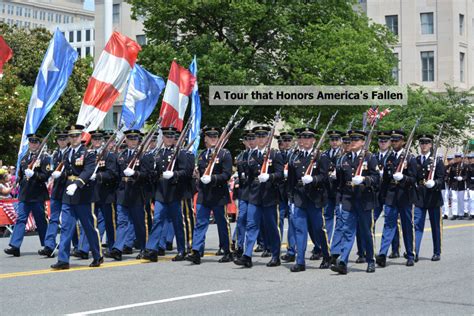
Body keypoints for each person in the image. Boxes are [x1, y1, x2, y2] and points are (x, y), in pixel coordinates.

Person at [51, 125, 103, 269]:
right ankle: (63, 260)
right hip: (68, 195)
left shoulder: (88, 153)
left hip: (83, 194)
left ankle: (98, 255)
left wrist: (77, 184)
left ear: (81, 137)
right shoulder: (67, 153)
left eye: (76, 136)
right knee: (67, 228)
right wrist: (59, 176)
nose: (74, 139)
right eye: (71, 136)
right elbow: (68, 171)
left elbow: (88, 170)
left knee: (88, 227)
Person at [330, 130, 379, 274]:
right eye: (351, 140)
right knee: (347, 231)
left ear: (363, 142)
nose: (353, 143)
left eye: (356, 140)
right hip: (348, 200)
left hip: (364, 200)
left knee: (365, 232)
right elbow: (339, 182)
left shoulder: (370, 158)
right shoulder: (344, 158)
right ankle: (343, 262)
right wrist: (339, 199)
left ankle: (370, 260)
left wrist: (365, 179)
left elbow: (376, 178)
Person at [234, 126, 283, 268]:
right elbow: (248, 178)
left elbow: (280, 174)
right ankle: (247, 256)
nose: (260, 139)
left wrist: (270, 176)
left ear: (268, 138)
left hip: (269, 195)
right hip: (254, 196)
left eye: (263, 136)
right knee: (251, 225)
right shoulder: (251, 155)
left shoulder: (274, 154)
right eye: (258, 136)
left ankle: (275, 255)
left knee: (271, 227)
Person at [143, 127, 193, 262]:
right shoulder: (158, 153)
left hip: (175, 192)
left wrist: (174, 174)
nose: (169, 139)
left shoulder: (180, 153)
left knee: (178, 222)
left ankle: (182, 250)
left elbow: (186, 172)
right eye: (167, 136)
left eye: (172, 136)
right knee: (157, 219)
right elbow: (155, 172)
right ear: (163, 138)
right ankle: (152, 249)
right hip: (161, 192)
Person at [186, 127, 233, 264]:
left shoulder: (224, 154)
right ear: (205, 139)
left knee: (222, 223)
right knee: (200, 222)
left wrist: (212, 178)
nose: (213, 138)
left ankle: (227, 250)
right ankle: (196, 251)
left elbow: (226, 174)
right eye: (210, 136)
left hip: (218, 194)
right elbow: (201, 173)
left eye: (215, 136)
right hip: (204, 194)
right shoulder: (202, 155)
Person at [288, 127, 331, 272]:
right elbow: (292, 180)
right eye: (303, 138)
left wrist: (313, 178)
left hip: (316, 198)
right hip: (300, 198)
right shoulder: (295, 157)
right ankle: (300, 262)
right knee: (300, 230)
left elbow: (325, 177)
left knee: (319, 229)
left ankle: (326, 256)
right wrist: (291, 198)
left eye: (308, 138)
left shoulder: (321, 156)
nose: (305, 140)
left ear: (313, 140)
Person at [106, 129, 153, 261]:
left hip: (137, 193)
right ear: (125, 140)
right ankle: (117, 249)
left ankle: (145, 248)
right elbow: (116, 174)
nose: (133, 141)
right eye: (130, 139)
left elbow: (148, 175)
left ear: (139, 140)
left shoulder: (144, 156)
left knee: (139, 223)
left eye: (135, 139)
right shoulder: (121, 155)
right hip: (123, 193)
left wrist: (135, 174)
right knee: (122, 222)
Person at [4, 133, 51, 257]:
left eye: (36, 142)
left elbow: (45, 176)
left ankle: (47, 246)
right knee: (20, 219)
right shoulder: (25, 157)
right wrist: (16, 182)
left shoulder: (45, 158)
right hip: (25, 194)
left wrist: (34, 175)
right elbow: (20, 174)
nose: (33, 144)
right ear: (29, 143)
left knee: (41, 221)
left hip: (37, 194)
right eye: (31, 142)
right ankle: (15, 246)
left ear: (39, 144)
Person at [376, 130, 417, 268]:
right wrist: (383, 197)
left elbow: (413, 179)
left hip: (405, 196)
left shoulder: (410, 158)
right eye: (392, 141)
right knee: (389, 225)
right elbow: (386, 181)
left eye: (397, 140)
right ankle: (382, 254)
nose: (394, 143)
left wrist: (403, 177)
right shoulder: (389, 158)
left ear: (403, 141)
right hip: (391, 197)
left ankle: (410, 254)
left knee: (406, 226)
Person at [414, 134, 445, 262]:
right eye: (422, 143)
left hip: (433, 197)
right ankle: (414, 251)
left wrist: (435, 183)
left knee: (435, 226)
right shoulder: (415, 160)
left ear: (431, 145)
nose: (424, 145)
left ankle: (437, 251)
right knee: (417, 225)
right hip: (420, 197)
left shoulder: (437, 161)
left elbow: (442, 179)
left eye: (426, 143)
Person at [39, 130, 69, 257]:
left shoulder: (71, 153)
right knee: (53, 219)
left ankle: (78, 246)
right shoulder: (55, 155)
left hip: (68, 189)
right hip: (57, 190)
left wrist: (62, 174)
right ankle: (49, 245)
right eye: (60, 139)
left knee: (69, 220)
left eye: (64, 139)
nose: (62, 141)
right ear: (57, 141)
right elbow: (50, 170)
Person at [449, 153, 468, 219]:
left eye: (458, 157)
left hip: (461, 185)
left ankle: (461, 214)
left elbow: (466, 175)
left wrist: (462, 178)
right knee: (454, 199)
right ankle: (454, 214)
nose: (457, 158)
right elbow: (450, 176)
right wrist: (450, 185)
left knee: (460, 200)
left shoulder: (464, 166)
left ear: (461, 158)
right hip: (454, 184)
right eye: (456, 157)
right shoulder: (453, 165)